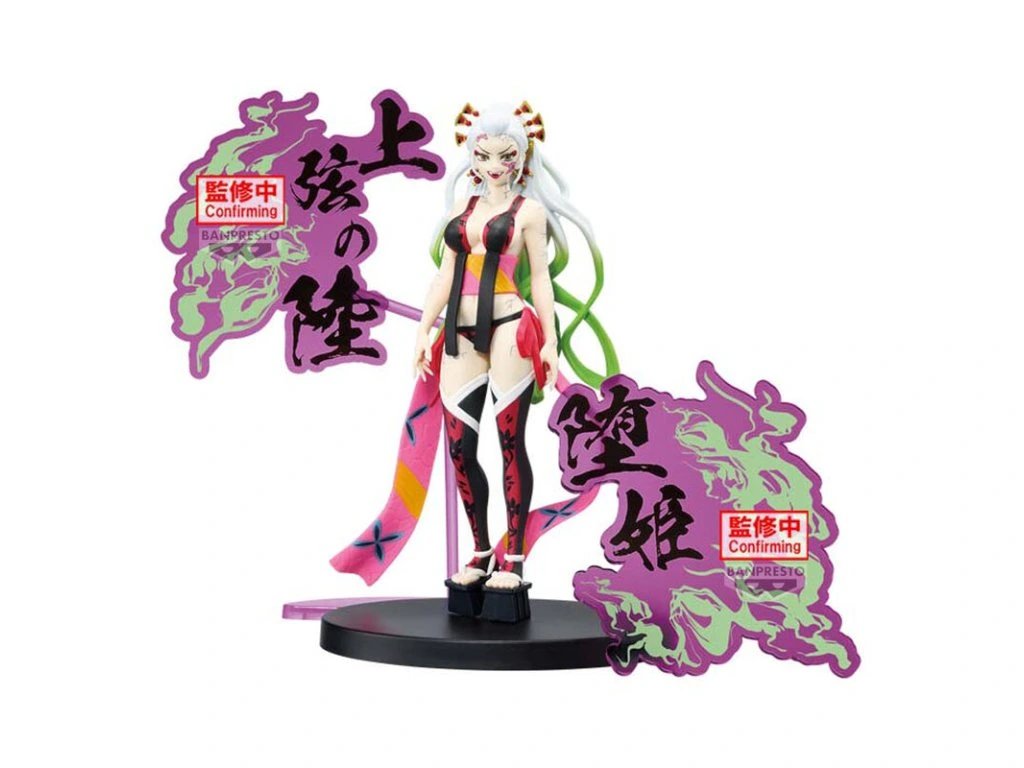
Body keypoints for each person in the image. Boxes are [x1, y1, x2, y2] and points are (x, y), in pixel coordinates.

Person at [331, 101, 618, 617]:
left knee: (510, 442)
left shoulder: (528, 213)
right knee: (460, 448)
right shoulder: (461, 211)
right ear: (472, 156)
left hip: (511, 326)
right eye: (483, 156)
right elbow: (445, 275)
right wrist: (424, 329)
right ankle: (481, 551)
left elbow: (541, 279)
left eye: (505, 156)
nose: (494, 166)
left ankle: (515, 558)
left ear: (521, 158)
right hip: (459, 333)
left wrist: (550, 341)